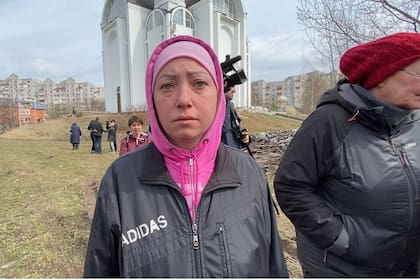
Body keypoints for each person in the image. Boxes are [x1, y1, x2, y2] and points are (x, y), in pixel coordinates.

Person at [84, 35, 289, 277]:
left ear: (218, 95)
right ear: (152, 98)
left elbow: (273, 267)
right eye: (167, 86)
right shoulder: (120, 181)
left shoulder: (249, 174)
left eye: (199, 83)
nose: (184, 100)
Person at [274, 32, 420, 277]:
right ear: (382, 76)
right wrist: (342, 238)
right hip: (344, 269)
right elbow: (291, 186)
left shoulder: (416, 122)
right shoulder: (330, 122)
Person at [222, 85, 251, 153]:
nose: (234, 91)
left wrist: (244, 138)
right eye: (232, 86)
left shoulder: (230, 106)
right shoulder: (214, 108)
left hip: (235, 153)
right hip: (224, 157)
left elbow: (235, 129)